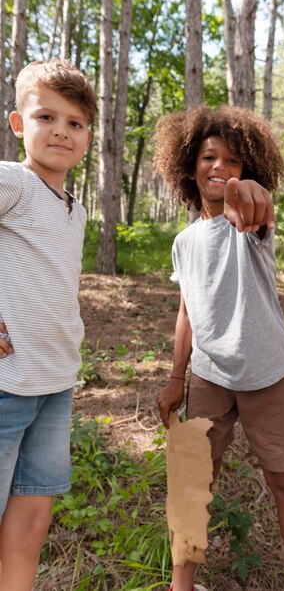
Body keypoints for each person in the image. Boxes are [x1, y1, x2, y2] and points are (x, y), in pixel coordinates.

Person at [154, 105, 284, 591]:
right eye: (209, 157)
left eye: (232, 161)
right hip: (208, 378)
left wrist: (248, 196)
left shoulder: (251, 225)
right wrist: (174, 378)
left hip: (268, 373)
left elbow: (257, 205)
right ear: (189, 167)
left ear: (248, 170)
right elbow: (188, 311)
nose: (219, 168)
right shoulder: (185, 241)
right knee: (193, 486)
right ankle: (180, 586)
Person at [0, 59, 96, 591]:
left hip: (56, 384)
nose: (61, 130)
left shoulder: (73, 207)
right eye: (46, 116)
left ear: (87, 137)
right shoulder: (13, 181)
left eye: (75, 122)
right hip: (7, 385)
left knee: (33, 518)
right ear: (19, 124)